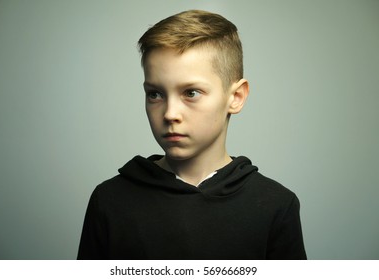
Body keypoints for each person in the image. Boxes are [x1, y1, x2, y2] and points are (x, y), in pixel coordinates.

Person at [77, 10, 306, 260]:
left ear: (236, 97)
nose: (170, 114)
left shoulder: (275, 206)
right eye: (155, 94)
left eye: (191, 93)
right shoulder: (110, 201)